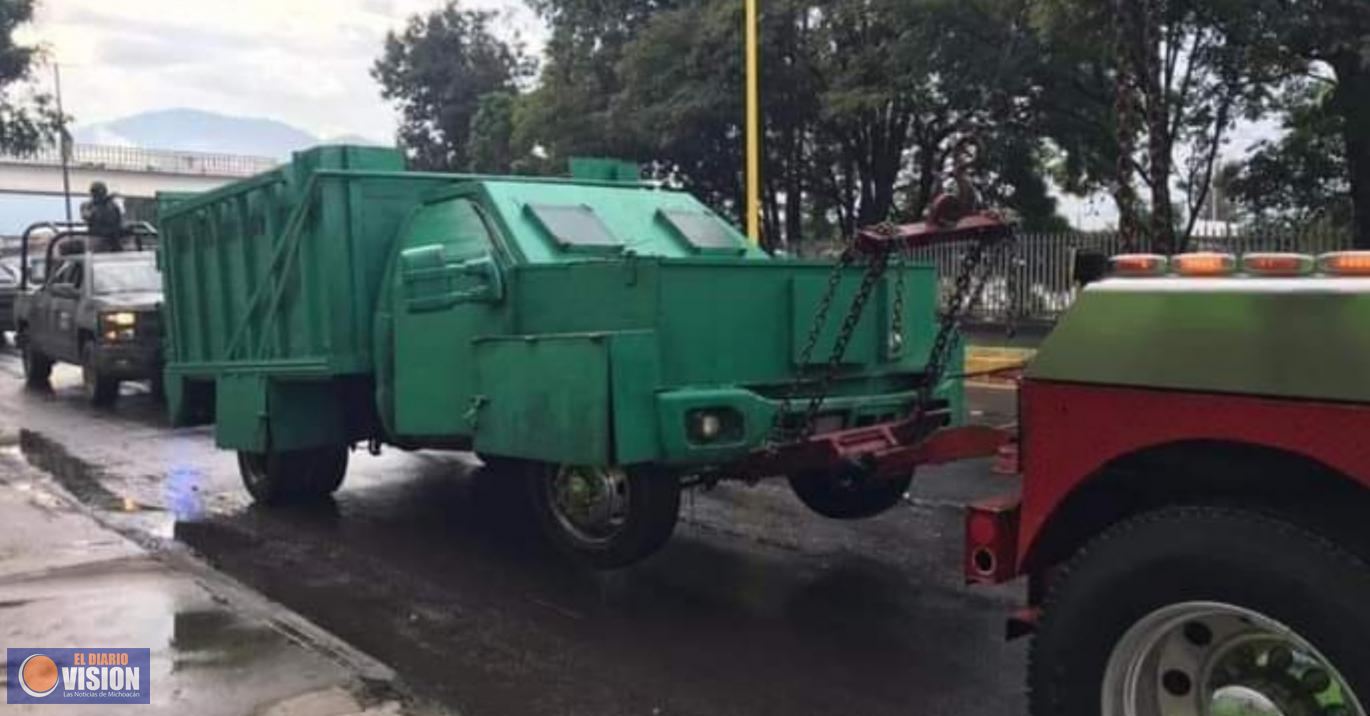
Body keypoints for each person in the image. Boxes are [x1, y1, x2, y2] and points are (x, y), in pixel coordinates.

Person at [81, 181, 124, 251]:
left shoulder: (113, 206)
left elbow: (118, 220)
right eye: (95, 192)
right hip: (95, 238)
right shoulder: (87, 205)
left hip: (112, 239)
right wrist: (100, 204)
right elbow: (87, 216)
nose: (97, 195)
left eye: (100, 193)